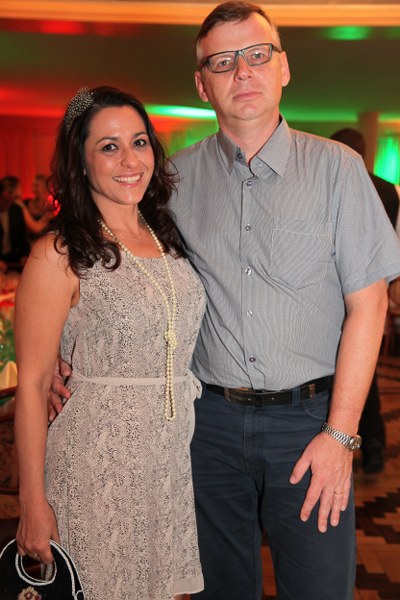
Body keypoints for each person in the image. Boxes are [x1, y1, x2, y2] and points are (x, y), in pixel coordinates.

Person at [50, 3, 400, 599]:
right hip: (204, 426)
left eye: (257, 54)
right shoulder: (171, 182)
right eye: (223, 61)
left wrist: (342, 435)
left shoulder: (338, 171)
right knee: (218, 590)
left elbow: (369, 305)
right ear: (201, 83)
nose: (243, 71)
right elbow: (116, 264)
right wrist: (67, 350)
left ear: (283, 67)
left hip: (310, 424)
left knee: (319, 589)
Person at [14, 86, 205, 600]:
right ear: (80, 162)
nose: (129, 160)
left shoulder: (168, 236)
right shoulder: (58, 252)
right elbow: (33, 385)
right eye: (109, 147)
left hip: (167, 462)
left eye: (139, 142)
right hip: (95, 463)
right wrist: (32, 503)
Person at [331, 127, 400, 473]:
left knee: (352, 364)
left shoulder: (335, 182)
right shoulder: (387, 190)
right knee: (363, 366)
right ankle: (372, 445)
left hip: (339, 292)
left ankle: (356, 441)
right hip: (375, 289)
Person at [0, 176, 30, 271]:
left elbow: (22, 237)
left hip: (13, 260)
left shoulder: (17, 210)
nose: (13, 196)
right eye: (9, 192)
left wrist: (24, 255)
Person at [21, 173, 55, 240]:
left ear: (44, 188)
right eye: (33, 185)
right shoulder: (26, 203)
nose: (33, 188)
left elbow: (37, 229)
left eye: (36, 186)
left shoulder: (50, 208)